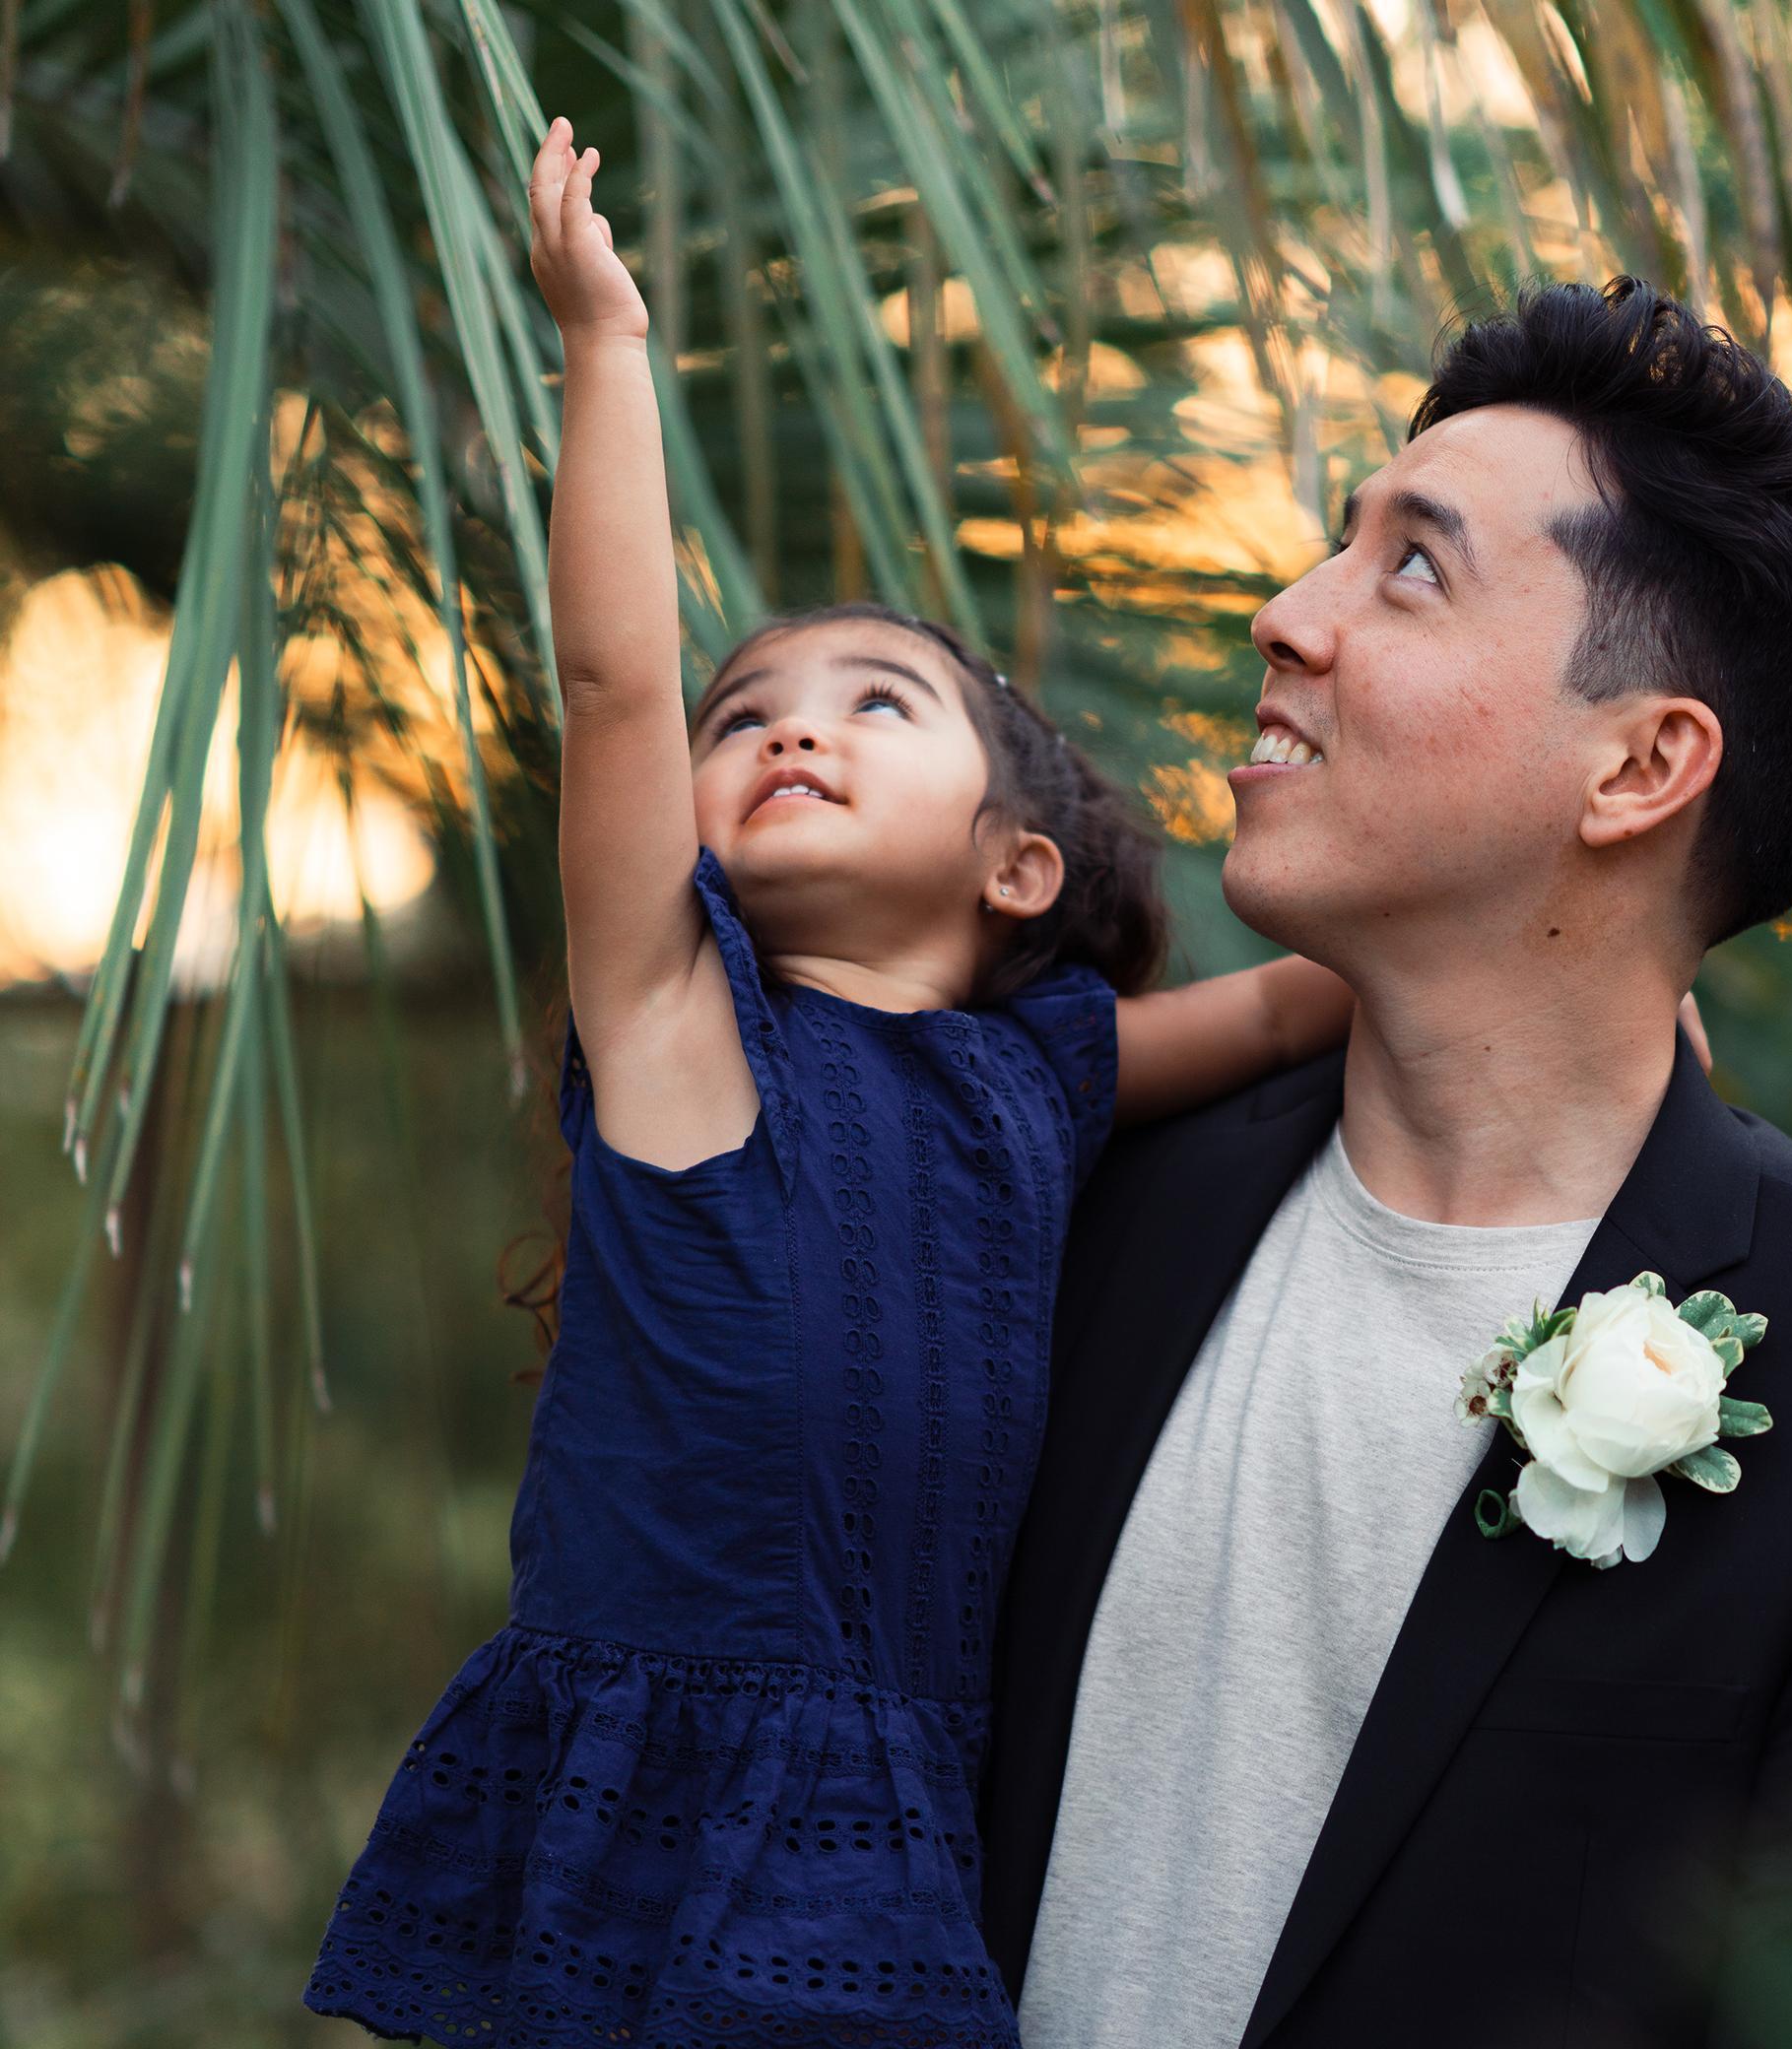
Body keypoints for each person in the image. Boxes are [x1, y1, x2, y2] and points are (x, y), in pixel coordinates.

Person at [300, 116, 1386, 2049]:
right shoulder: (677, 1026)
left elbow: (1308, 1007)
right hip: (662, 1772)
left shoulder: (1045, 1072)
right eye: (746, 720)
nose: (790, 731)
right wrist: (605, 347)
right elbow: (616, 684)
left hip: (911, 1791)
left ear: (1015, 867)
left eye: (876, 704)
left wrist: (1614, 976)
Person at [980, 277, 1792, 2049]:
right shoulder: (1076, 1201)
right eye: (1339, 544)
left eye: (1410, 567)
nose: (1284, 614)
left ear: (1640, 765)